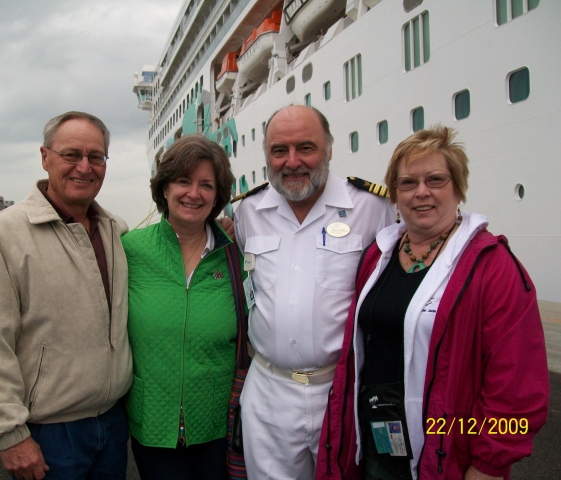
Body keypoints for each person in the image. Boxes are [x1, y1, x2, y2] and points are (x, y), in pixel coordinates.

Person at [316, 125, 549, 480]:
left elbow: (517, 386)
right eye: (408, 183)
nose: (421, 192)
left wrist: (488, 465)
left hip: (445, 459)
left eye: (436, 180)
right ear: (395, 194)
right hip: (375, 447)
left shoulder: (492, 266)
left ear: (458, 188)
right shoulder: (379, 254)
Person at [0, 112, 133, 480]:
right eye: (72, 154)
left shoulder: (115, 231)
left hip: (113, 424)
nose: (84, 167)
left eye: (96, 157)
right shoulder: (5, 235)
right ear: (45, 157)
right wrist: (9, 435)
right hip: (51, 433)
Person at [233, 105, 394, 479]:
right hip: (269, 393)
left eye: (306, 147)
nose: (292, 162)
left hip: (340, 392)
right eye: (279, 150)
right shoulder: (248, 212)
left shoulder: (373, 207)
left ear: (329, 149)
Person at [121, 134, 240, 480]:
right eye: (184, 181)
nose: (194, 193)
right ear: (164, 188)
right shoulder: (131, 250)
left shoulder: (234, 254)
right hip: (153, 421)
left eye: (207, 185)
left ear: (218, 196)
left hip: (218, 422)